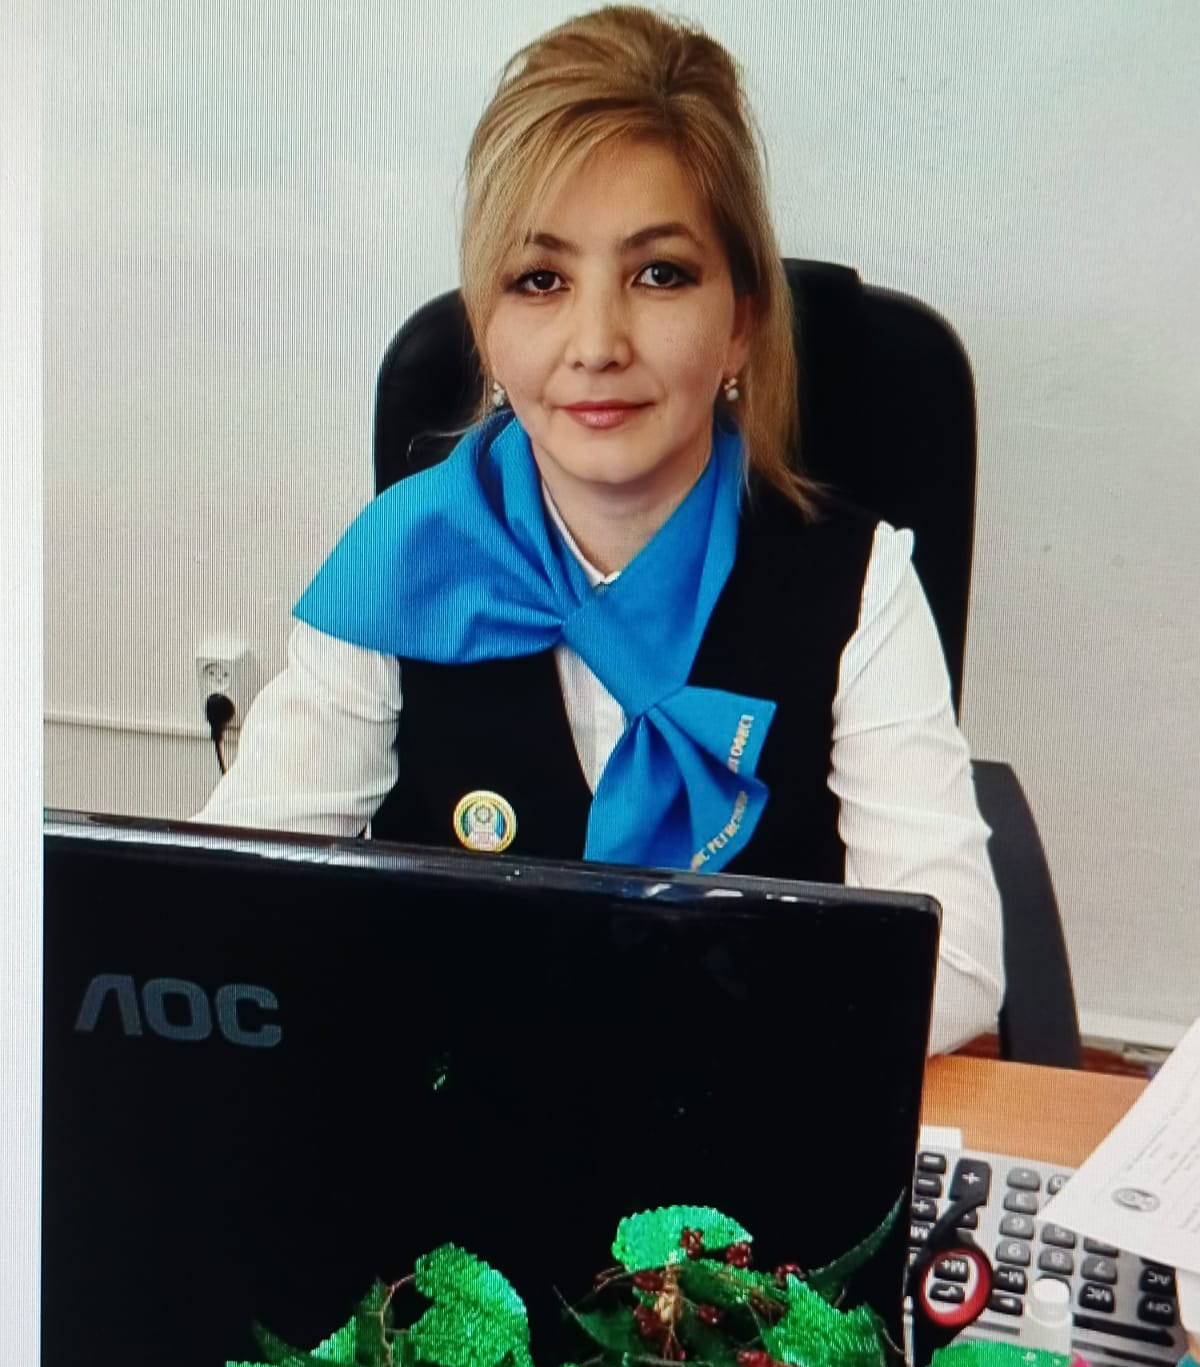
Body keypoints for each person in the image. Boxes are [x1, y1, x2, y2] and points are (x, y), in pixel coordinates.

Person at [195, 5, 1004, 1055]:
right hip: (461, 1103)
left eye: (659, 274)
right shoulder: (399, 563)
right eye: (540, 281)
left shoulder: (860, 582)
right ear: (487, 327)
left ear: (741, 321)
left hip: (740, 1109)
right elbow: (225, 906)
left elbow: (955, 969)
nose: (596, 343)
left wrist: (620, 1034)